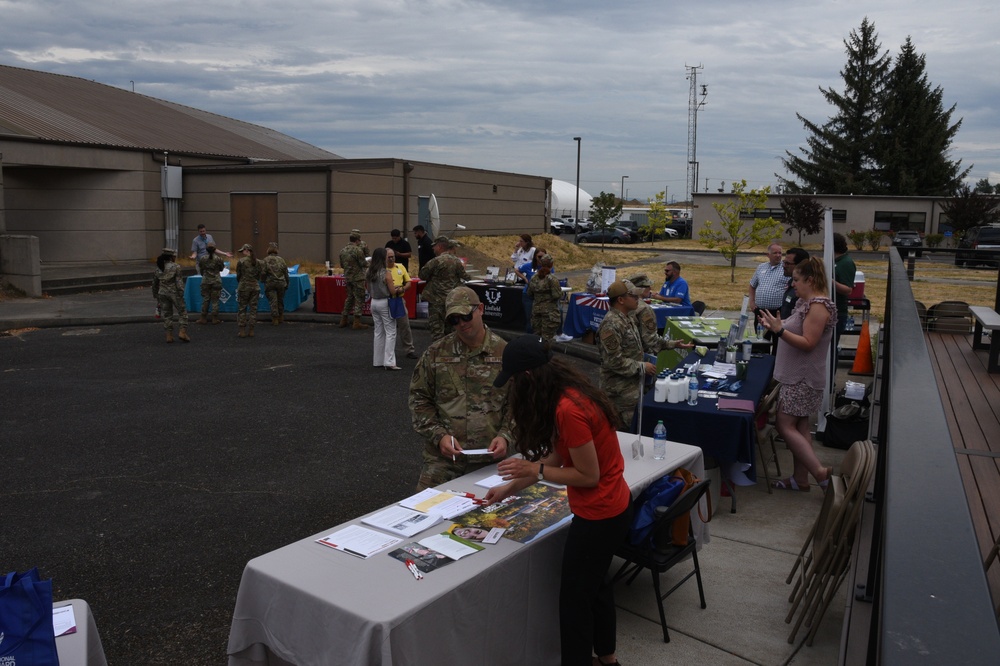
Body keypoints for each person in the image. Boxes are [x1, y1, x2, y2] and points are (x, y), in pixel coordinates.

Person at [488, 334, 632, 666]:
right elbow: (560, 456)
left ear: (527, 378)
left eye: (513, 382)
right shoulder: (566, 395)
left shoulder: (568, 409)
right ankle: (607, 659)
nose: (512, 390)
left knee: (573, 604)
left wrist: (534, 468)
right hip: (612, 508)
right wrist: (510, 487)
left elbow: (587, 476)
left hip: (600, 515)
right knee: (596, 588)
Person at [409, 286, 511, 490]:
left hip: (490, 458)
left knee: (489, 518)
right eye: (453, 320)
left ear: (480, 309)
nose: (461, 324)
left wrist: (506, 436)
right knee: (424, 514)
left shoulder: (505, 353)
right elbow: (419, 399)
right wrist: (439, 436)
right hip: (444, 459)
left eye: (465, 316)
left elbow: (519, 402)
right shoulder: (436, 354)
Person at [759, 257, 837, 492]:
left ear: (810, 280)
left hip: (802, 379)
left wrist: (779, 330)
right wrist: (775, 325)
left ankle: (819, 472)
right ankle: (799, 479)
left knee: (785, 426)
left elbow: (808, 343)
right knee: (801, 427)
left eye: (796, 279)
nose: (793, 284)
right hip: (797, 377)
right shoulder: (807, 303)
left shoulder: (818, 307)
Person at [597, 280, 655, 429]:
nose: (637, 299)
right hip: (620, 393)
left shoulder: (627, 318)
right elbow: (613, 361)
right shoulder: (611, 324)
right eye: (633, 296)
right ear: (621, 300)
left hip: (631, 387)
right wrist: (642, 366)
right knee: (624, 434)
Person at [626, 273, 694, 355]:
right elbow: (650, 339)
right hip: (640, 355)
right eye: (648, 286)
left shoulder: (625, 304)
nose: (650, 288)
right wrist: (672, 344)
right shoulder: (644, 309)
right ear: (640, 289)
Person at [418, 236, 470, 340]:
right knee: (450, 330)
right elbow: (466, 277)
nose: (433, 249)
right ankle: (450, 353)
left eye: (435, 246)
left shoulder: (435, 261)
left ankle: (438, 354)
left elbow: (422, 275)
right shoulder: (456, 261)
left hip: (436, 301)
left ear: (440, 247)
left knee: (437, 331)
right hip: (451, 300)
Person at [365, 247, 400, 371]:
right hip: (385, 302)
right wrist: (399, 289)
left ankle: (378, 360)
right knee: (391, 332)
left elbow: (368, 289)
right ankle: (389, 362)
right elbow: (392, 291)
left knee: (378, 331)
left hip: (373, 302)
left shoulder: (369, 272)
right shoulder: (386, 273)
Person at [749, 243, 785, 342]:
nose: (778, 255)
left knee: (777, 341)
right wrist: (752, 302)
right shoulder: (761, 267)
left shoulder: (785, 268)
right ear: (768, 255)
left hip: (777, 313)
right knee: (761, 341)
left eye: (780, 253)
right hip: (761, 312)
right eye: (775, 253)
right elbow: (752, 285)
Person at [152, 247, 190, 343]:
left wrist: (155, 295)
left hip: (162, 293)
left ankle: (169, 335)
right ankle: (182, 332)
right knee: (182, 313)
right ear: (171, 257)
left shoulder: (158, 268)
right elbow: (179, 282)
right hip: (174, 293)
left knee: (167, 314)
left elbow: (154, 283)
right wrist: (181, 293)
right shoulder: (175, 267)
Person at [386, 248, 418, 359]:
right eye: (389, 257)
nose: (391, 259)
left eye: (392, 256)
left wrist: (403, 289)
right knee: (387, 328)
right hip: (386, 300)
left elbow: (409, 282)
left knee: (404, 325)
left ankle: (409, 349)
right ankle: (387, 351)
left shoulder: (400, 266)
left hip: (398, 300)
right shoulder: (382, 270)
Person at [527, 254, 563, 344]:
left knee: (537, 338)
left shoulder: (534, 278)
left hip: (536, 311)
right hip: (550, 313)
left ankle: (536, 354)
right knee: (547, 339)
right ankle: (544, 356)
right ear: (551, 264)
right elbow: (557, 295)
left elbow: (529, 293)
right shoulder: (552, 279)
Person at [339, 233, 369, 330]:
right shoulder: (358, 250)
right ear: (357, 240)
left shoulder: (342, 250)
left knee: (349, 298)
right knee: (359, 298)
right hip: (358, 278)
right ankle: (357, 322)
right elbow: (363, 263)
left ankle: (344, 319)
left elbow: (342, 265)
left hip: (348, 278)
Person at [832, 232, 857, 345]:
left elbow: (848, 290)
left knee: (832, 347)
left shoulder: (846, 263)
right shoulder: (833, 261)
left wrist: (830, 281)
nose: (822, 246)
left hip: (838, 312)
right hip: (828, 310)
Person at [515, 247, 547, 333]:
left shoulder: (547, 267)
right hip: (529, 294)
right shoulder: (529, 265)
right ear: (535, 256)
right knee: (530, 317)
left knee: (541, 317)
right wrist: (525, 279)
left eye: (543, 257)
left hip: (541, 296)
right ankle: (529, 336)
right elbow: (517, 270)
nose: (541, 259)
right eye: (539, 257)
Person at [235, 243, 262, 338]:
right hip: (255, 287)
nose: (242, 253)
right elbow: (259, 275)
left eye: (243, 251)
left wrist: (241, 282)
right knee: (253, 309)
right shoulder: (258, 262)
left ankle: (242, 331)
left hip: (244, 287)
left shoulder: (241, 261)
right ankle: (251, 330)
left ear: (247, 250)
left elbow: (238, 275)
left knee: (242, 308)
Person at [196, 241, 225, 325]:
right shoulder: (219, 259)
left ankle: (203, 318)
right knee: (215, 300)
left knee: (206, 299)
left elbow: (201, 269)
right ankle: (214, 318)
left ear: (206, 249)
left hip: (206, 281)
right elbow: (221, 269)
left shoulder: (203, 258)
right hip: (216, 280)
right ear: (215, 249)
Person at [262, 242, 290, 325]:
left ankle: (275, 319)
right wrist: (287, 283)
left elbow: (263, 273)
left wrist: (263, 280)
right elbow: (286, 273)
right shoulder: (281, 260)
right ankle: (281, 316)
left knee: (273, 301)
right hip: (281, 283)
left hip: (270, 283)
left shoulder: (265, 260)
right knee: (280, 300)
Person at [779, 248, 810, 320]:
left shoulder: (806, 289)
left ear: (800, 265)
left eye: (787, 263)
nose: (783, 266)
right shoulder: (790, 283)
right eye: (784, 262)